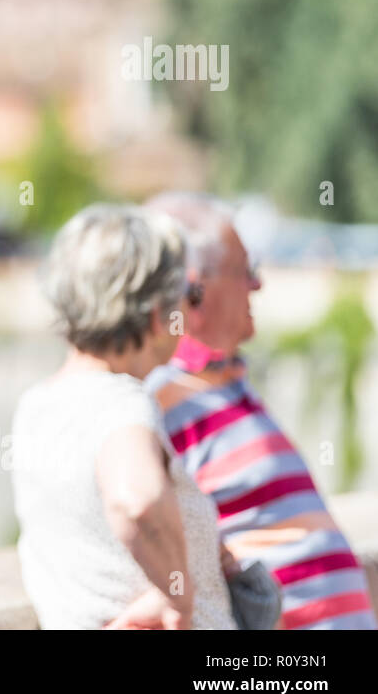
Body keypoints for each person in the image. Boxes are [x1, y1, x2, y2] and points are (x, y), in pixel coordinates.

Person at [144, 192, 378, 629]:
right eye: (245, 270)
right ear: (196, 287)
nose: (258, 285)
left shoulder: (225, 383)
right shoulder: (161, 399)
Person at [12, 203, 236, 629]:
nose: (191, 315)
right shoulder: (120, 403)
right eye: (189, 297)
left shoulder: (36, 407)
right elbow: (139, 500)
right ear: (156, 315)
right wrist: (178, 601)